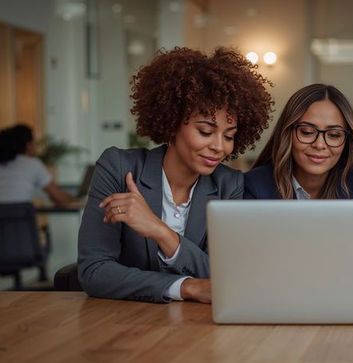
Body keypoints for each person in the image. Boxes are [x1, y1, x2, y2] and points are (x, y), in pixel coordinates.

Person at [77, 47, 273, 303]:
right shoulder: (118, 168)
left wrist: (161, 231)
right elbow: (94, 271)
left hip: (195, 330)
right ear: (171, 124)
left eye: (229, 136)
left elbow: (225, 276)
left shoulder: (230, 184)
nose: (219, 146)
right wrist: (186, 287)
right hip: (119, 324)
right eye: (205, 131)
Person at [244, 84, 353, 199]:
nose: (319, 145)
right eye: (307, 132)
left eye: (334, 135)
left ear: (347, 141)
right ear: (287, 134)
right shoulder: (255, 184)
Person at [0, 124, 75, 206]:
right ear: (28, 145)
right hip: (22, 215)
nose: (36, 146)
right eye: (34, 142)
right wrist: (78, 200)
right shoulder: (33, 164)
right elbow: (58, 197)